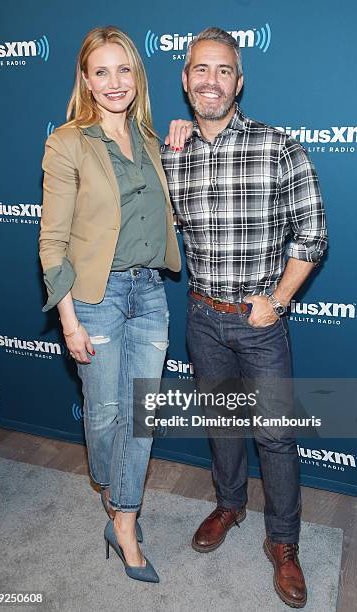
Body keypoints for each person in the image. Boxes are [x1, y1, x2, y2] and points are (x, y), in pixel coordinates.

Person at [161, 27, 327, 607]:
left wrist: (277, 300)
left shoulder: (277, 146)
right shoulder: (169, 153)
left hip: (260, 324)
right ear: (185, 81)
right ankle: (229, 505)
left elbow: (313, 234)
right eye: (200, 70)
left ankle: (283, 543)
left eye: (223, 71)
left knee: (277, 438)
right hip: (202, 317)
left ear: (239, 81)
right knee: (222, 425)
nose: (211, 81)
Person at [39, 26, 181, 583]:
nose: (114, 82)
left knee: (141, 418)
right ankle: (112, 493)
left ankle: (124, 519)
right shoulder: (67, 142)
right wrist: (68, 319)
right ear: (86, 80)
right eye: (102, 72)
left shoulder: (149, 140)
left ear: (136, 76)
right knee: (104, 417)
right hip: (95, 300)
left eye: (124, 70)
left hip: (149, 293)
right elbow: (52, 241)